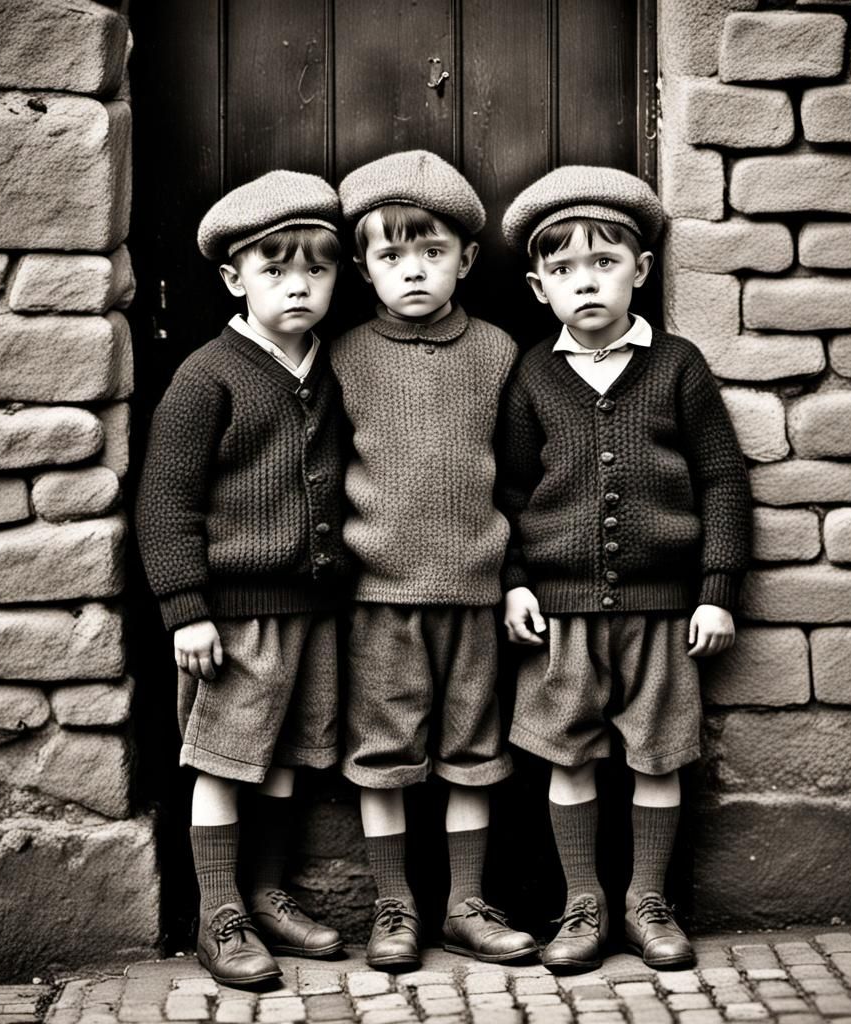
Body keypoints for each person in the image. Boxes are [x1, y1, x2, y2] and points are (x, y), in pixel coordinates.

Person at [498, 166, 751, 972]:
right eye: (564, 268)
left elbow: (722, 480)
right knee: (567, 756)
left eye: (604, 263)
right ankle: (585, 901)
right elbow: (507, 491)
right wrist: (514, 582)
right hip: (561, 617)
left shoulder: (677, 366)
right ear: (539, 287)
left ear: (640, 271)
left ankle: (647, 898)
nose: (586, 282)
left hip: (662, 615)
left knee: (659, 755)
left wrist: (716, 592)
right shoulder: (533, 376)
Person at [136, 170, 350, 986]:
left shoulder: (331, 368)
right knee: (223, 761)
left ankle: (265, 893)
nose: (298, 285)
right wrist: (186, 608)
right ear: (234, 279)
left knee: (285, 758)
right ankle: (218, 913)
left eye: (317, 269)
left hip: (310, 611)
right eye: (274, 269)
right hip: (232, 617)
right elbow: (165, 501)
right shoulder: (209, 375)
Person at [331, 150, 537, 970]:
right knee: (383, 756)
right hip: (379, 599)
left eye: (432, 252)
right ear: (363, 268)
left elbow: (518, 480)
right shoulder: (343, 355)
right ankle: (394, 905)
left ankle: (464, 905)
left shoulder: (498, 352)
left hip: (475, 595)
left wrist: (513, 580)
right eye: (391, 255)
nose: (412, 270)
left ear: (468, 259)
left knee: (473, 753)